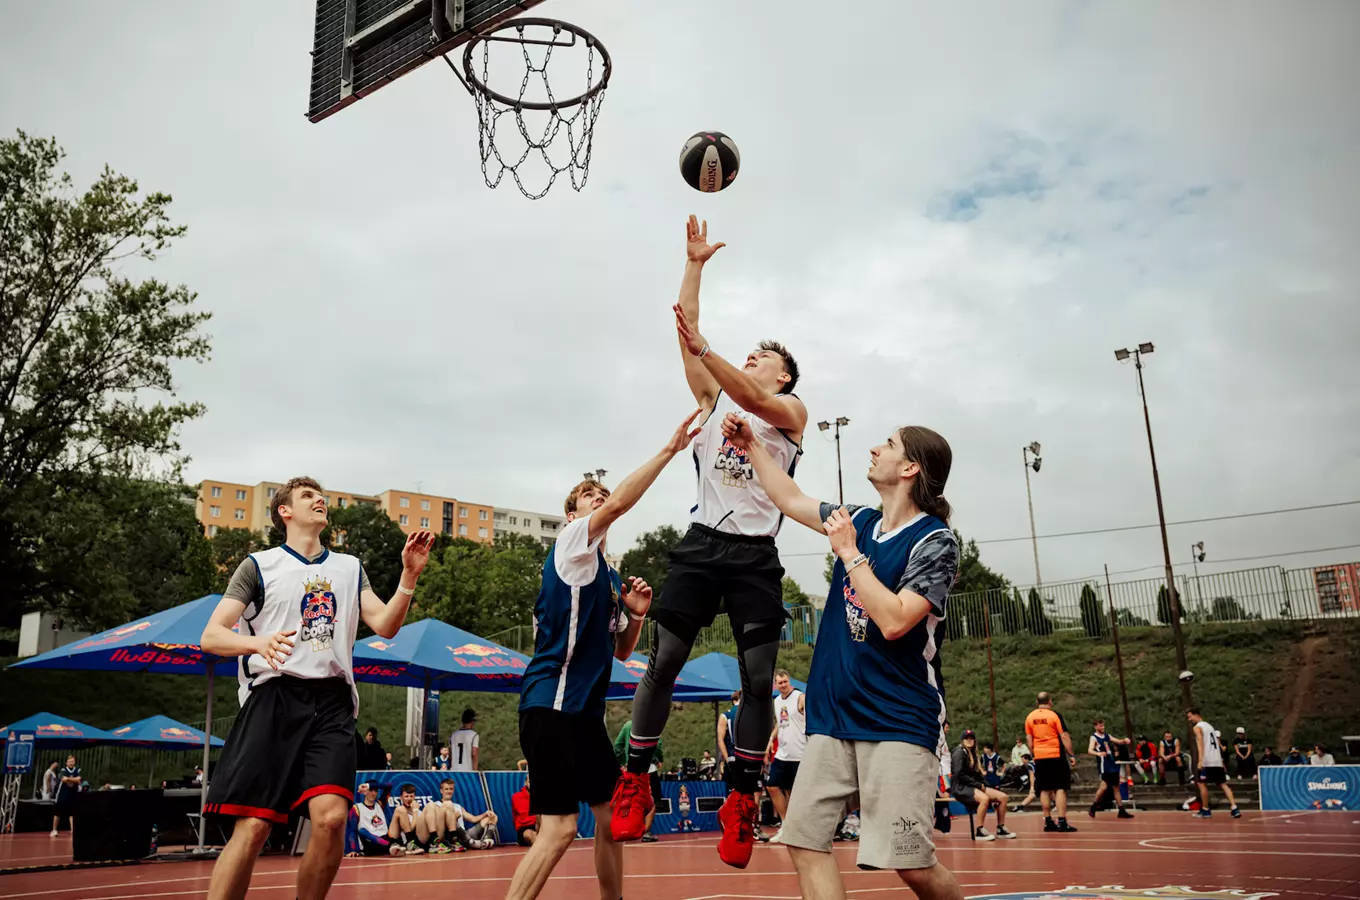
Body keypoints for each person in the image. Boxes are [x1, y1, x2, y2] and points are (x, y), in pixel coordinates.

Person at [613, 217, 808, 870]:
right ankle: (637, 775)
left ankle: (741, 798)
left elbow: (742, 386)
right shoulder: (710, 401)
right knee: (663, 661)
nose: (750, 363)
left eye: (762, 360)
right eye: (746, 356)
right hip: (702, 546)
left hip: (755, 556)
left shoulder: (790, 415)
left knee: (757, 680)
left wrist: (712, 351)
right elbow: (689, 338)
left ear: (782, 378)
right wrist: (694, 266)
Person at [720, 413, 966, 899]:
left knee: (910, 864)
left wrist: (851, 555)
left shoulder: (936, 542)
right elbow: (790, 498)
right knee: (805, 840)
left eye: (888, 444)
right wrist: (752, 445)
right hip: (834, 716)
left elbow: (895, 620)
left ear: (911, 468)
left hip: (896, 717)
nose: (875, 449)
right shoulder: (861, 519)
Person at [198, 476, 434, 900]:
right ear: (284, 512)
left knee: (331, 821)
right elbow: (212, 637)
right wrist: (256, 642)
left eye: (320, 495)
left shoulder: (348, 567)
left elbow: (385, 625)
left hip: (331, 701)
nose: (319, 499)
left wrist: (408, 578)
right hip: (274, 696)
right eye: (307, 496)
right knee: (252, 827)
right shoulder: (259, 565)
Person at [506, 410, 698, 900]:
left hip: (584, 715)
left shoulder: (609, 576)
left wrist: (635, 615)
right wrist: (669, 449)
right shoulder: (573, 544)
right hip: (550, 704)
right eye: (588, 496)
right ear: (572, 515)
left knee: (612, 816)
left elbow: (621, 653)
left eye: (598, 492)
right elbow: (617, 507)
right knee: (560, 827)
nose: (599, 498)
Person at [1025, 692, 1078, 833]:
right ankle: (1062, 821)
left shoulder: (1030, 717)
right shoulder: (1054, 716)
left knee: (1044, 789)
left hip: (1040, 756)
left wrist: (1034, 754)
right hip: (1056, 754)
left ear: (1037, 702)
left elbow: (1029, 740)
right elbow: (1064, 736)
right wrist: (1071, 754)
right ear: (1050, 702)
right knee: (1060, 787)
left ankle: (1048, 821)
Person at [765, 668, 807, 842]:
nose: (783, 685)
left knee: (793, 793)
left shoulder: (799, 696)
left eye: (785, 682)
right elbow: (780, 723)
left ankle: (797, 829)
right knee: (772, 786)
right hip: (783, 753)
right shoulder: (776, 701)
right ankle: (786, 824)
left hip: (800, 753)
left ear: (789, 681)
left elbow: (807, 708)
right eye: (779, 683)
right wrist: (770, 739)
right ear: (775, 685)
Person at [951, 730, 1015, 841]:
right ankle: (979, 830)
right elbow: (959, 774)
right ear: (962, 740)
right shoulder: (959, 752)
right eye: (967, 738)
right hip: (960, 786)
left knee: (1003, 797)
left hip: (972, 785)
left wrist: (987, 786)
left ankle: (1001, 829)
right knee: (984, 799)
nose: (969, 740)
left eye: (972, 738)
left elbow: (977, 774)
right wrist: (979, 786)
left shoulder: (973, 754)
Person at [613, 720, 663, 842]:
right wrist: (659, 759)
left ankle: (630, 827)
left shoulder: (627, 726)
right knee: (652, 800)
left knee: (631, 799)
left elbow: (617, 746)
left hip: (630, 769)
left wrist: (622, 762)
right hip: (648, 768)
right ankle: (645, 831)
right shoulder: (652, 724)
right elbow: (657, 745)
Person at [1187, 709, 1239, 818]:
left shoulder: (1197, 727)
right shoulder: (1209, 726)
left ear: (1196, 715)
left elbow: (1200, 744)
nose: (1189, 719)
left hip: (1207, 761)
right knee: (1223, 784)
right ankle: (1234, 808)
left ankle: (1205, 810)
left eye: (1190, 716)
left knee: (1201, 784)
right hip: (1217, 760)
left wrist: (1200, 761)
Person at [425, 778, 497, 850]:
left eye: (451, 789)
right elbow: (438, 826)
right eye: (446, 789)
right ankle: (471, 843)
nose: (449, 791)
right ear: (441, 791)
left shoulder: (458, 806)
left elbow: (473, 819)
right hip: (452, 836)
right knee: (453, 818)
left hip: (465, 834)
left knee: (493, 816)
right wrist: (453, 818)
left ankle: (487, 838)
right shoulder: (436, 805)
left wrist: (485, 814)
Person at [1086, 719, 1134, 819]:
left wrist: (1124, 740)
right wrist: (1098, 753)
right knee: (1104, 787)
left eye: (1103, 726)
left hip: (1112, 763)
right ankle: (1093, 806)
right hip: (1104, 765)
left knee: (1116, 787)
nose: (1102, 727)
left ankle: (1121, 810)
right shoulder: (1094, 737)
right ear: (1095, 727)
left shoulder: (1107, 736)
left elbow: (1119, 741)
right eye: (1100, 726)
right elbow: (1090, 750)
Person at [346, 783, 397, 857]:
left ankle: (391, 846)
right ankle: (391, 846)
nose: (373, 793)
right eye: (370, 790)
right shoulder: (356, 808)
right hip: (370, 844)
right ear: (364, 792)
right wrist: (353, 850)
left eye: (375, 791)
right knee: (361, 830)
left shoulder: (380, 804)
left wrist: (369, 785)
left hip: (384, 840)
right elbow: (352, 831)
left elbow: (389, 786)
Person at [387, 783, 426, 855]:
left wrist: (415, 811)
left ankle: (412, 845)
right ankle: (398, 844)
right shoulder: (400, 811)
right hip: (404, 840)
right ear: (401, 797)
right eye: (406, 796)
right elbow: (409, 829)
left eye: (411, 796)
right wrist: (415, 812)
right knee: (400, 809)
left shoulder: (419, 812)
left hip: (418, 840)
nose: (409, 799)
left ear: (414, 797)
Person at [51, 755, 81, 836]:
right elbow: (63, 779)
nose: (71, 763)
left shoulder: (77, 770)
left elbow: (78, 779)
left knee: (72, 814)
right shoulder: (63, 770)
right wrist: (73, 780)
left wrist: (69, 779)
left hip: (72, 795)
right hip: (62, 795)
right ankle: (54, 830)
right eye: (69, 761)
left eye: (72, 761)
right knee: (58, 813)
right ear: (66, 762)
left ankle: (73, 831)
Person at [512, 775, 538, 847]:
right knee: (530, 834)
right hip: (525, 828)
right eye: (530, 782)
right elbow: (516, 816)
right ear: (525, 783)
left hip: (540, 826)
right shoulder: (516, 797)